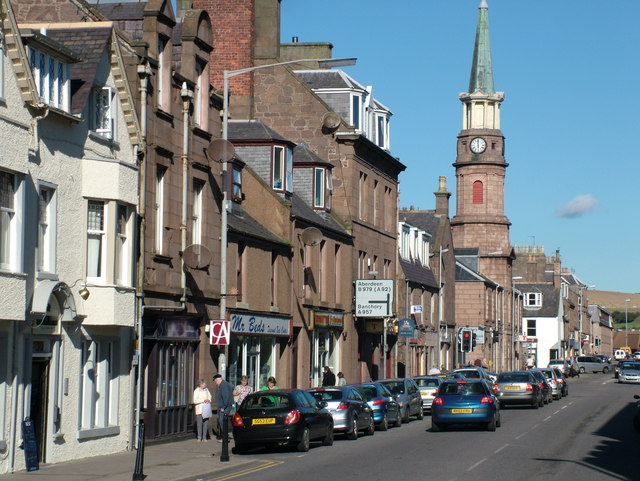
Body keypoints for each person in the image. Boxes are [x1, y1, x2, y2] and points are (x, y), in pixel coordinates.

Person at [213, 374, 234, 442]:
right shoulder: (224, 384)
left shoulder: (223, 385)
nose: (215, 383)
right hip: (226, 406)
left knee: (222, 421)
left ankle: (225, 438)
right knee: (222, 421)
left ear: (218, 380)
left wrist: (223, 407)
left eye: (215, 381)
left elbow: (226, 397)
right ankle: (225, 437)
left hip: (225, 407)